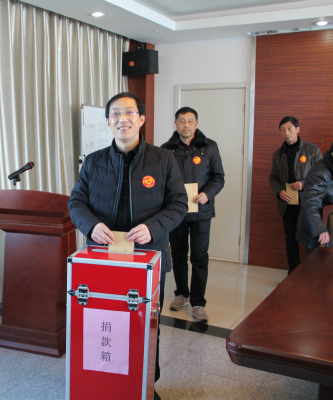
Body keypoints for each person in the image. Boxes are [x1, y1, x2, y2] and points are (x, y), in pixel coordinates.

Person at [68, 92, 187, 398]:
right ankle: (105, 382)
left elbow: (178, 204)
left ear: (141, 119)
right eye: (116, 114)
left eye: (130, 113)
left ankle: (145, 384)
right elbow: (76, 202)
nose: (123, 119)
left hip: (148, 259)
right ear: (108, 122)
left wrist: (153, 228)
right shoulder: (93, 162)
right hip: (102, 257)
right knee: (103, 320)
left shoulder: (163, 160)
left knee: (145, 324)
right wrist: (91, 226)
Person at [161, 107, 224, 323]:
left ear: (196, 124)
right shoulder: (166, 150)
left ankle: (198, 303)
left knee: (199, 256)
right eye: (182, 120)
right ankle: (181, 294)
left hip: (202, 211)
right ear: (176, 123)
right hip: (176, 212)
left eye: (190, 121)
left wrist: (207, 194)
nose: (186, 125)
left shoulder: (209, 146)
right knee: (178, 255)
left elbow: (219, 177)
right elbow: (162, 180)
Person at [269, 116, 321, 273]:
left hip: (308, 203)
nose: (286, 133)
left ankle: (313, 275)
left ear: (297, 129)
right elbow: (273, 178)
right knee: (291, 239)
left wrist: (303, 184)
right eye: (282, 130)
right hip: (288, 203)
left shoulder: (312, 150)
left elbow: (321, 177)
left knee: (311, 240)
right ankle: (293, 273)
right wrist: (279, 191)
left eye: (289, 128)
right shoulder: (278, 154)